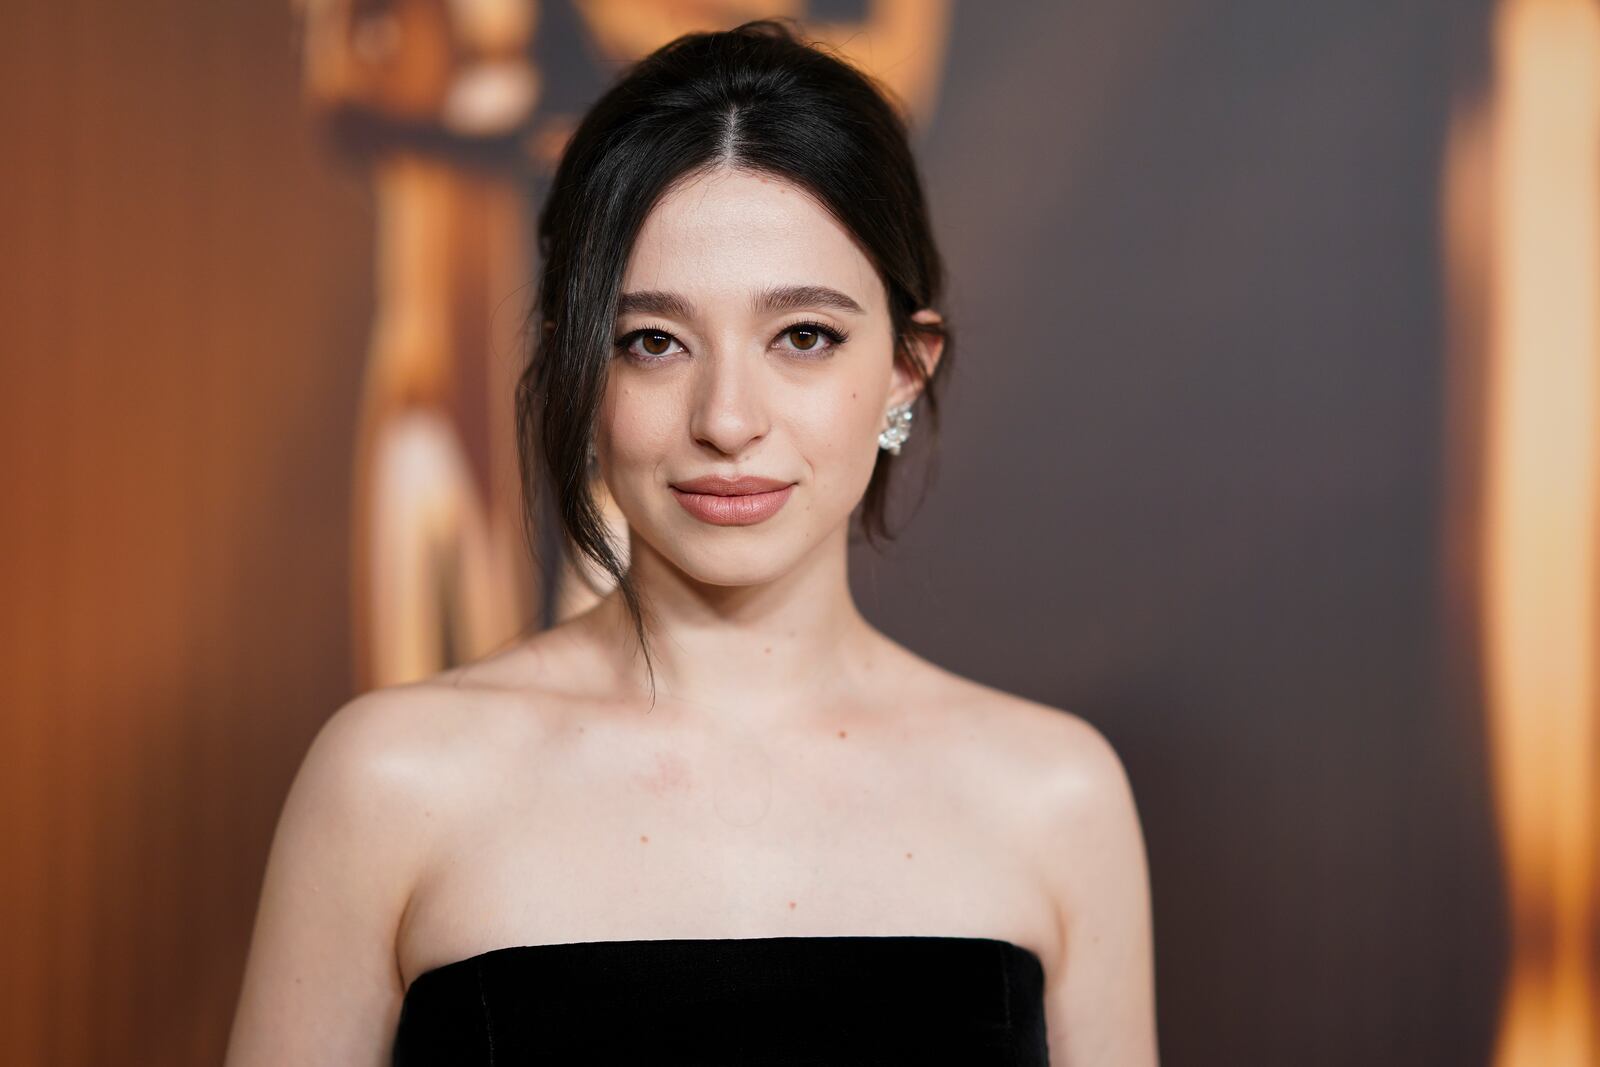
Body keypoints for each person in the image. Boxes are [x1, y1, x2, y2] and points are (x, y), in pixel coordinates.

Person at [225, 18, 1158, 1066]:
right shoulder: (390, 781)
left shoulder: (1054, 796)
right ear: (580, 369)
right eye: (653, 341)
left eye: (802, 335)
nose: (726, 417)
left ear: (906, 367)